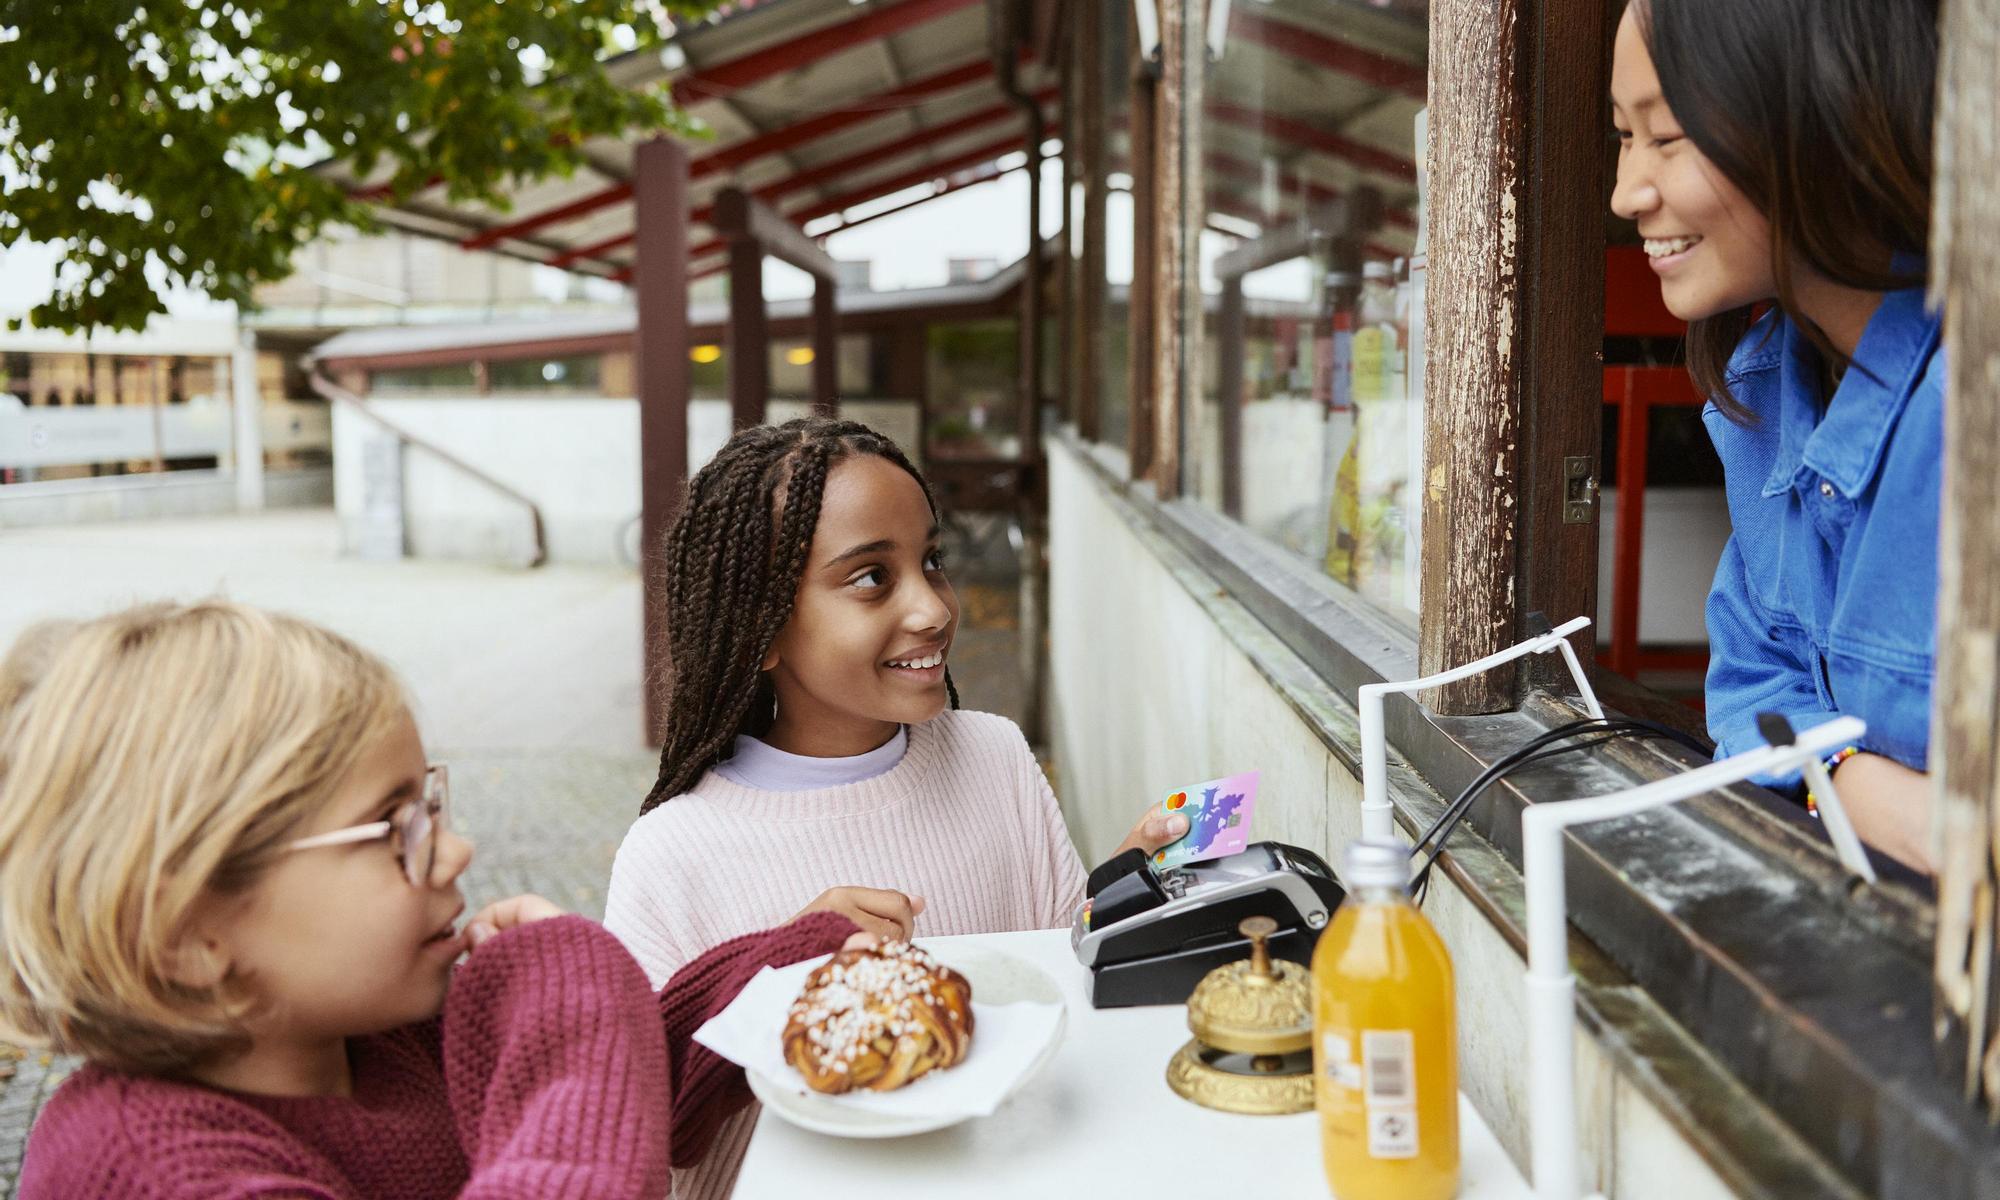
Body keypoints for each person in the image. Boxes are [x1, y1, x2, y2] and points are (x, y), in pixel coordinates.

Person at [0, 601, 867, 1199]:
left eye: (431, 806)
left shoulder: (375, 1040)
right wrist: (576, 997)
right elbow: (582, 1114)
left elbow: (611, 1093)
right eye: (390, 829)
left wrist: (784, 960)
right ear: (186, 929)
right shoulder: (146, 1169)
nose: (456, 850)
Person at [604, 417, 1187, 1197]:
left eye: (933, 561)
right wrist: (775, 968)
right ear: (762, 628)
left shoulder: (993, 756)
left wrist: (1124, 897)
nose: (933, 607)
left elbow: (1056, 977)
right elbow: (647, 1128)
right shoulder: (673, 852)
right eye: (873, 577)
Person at [1609, 0, 1942, 872]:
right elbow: (1751, 683)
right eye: (1623, 134)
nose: (1625, 192)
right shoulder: (1767, 387)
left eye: (1667, 136)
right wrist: (1861, 785)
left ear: (1823, 116)